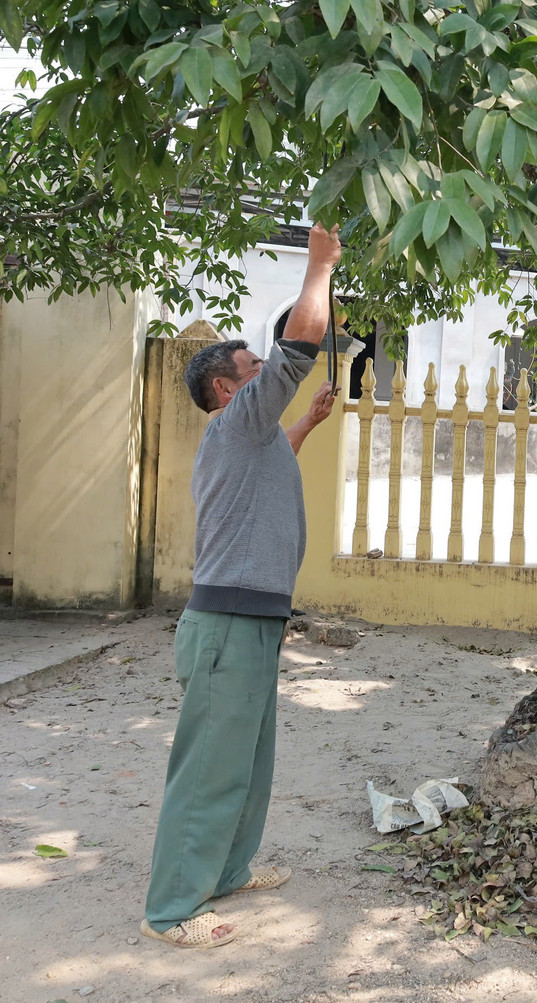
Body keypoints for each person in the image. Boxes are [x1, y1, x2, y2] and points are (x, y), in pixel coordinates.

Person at [141, 223, 342, 948]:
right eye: (253, 363)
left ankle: (227, 870)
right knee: (209, 770)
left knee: (249, 763)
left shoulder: (245, 439)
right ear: (227, 387)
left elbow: (277, 455)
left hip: (252, 622)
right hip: (228, 624)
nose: (266, 368)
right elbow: (301, 342)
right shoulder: (236, 422)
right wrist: (318, 267)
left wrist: (307, 424)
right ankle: (171, 910)